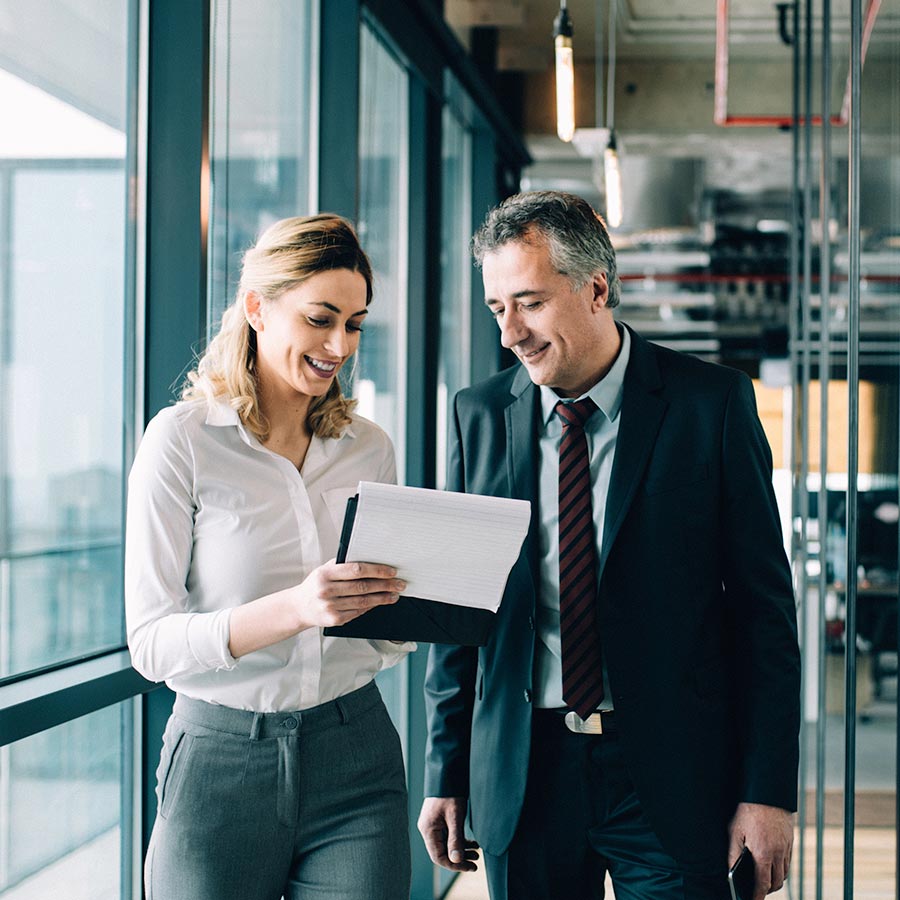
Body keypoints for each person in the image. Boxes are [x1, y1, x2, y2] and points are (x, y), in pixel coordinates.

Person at [418, 191, 801, 900]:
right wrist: (445, 772)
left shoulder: (709, 405)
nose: (510, 333)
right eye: (497, 308)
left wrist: (768, 790)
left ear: (596, 289)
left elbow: (764, 616)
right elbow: (456, 620)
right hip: (525, 772)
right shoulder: (477, 416)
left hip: (670, 769)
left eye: (528, 303)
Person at [126, 214, 412, 900]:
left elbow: (389, 630)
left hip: (356, 753)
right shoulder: (183, 442)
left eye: (355, 323)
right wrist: (295, 608)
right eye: (320, 318)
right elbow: (151, 644)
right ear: (257, 307)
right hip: (220, 762)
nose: (339, 344)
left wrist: (418, 606)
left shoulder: (369, 447)